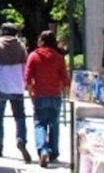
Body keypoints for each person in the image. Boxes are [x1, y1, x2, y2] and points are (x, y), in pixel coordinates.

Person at [25, 30, 70, 168]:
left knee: (40, 124)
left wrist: (31, 93)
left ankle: (43, 150)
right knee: (54, 124)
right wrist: (66, 93)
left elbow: (27, 78)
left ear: (41, 41)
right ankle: (54, 152)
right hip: (55, 95)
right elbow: (65, 79)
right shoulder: (59, 57)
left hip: (40, 94)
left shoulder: (33, 56)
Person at [0, 22, 31, 162]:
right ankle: (21, 141)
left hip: (1, 86)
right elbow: (25, 66)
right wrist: (25, 84)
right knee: (20, 117)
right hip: (18, 86)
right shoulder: (21, 46)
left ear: (2, 32)